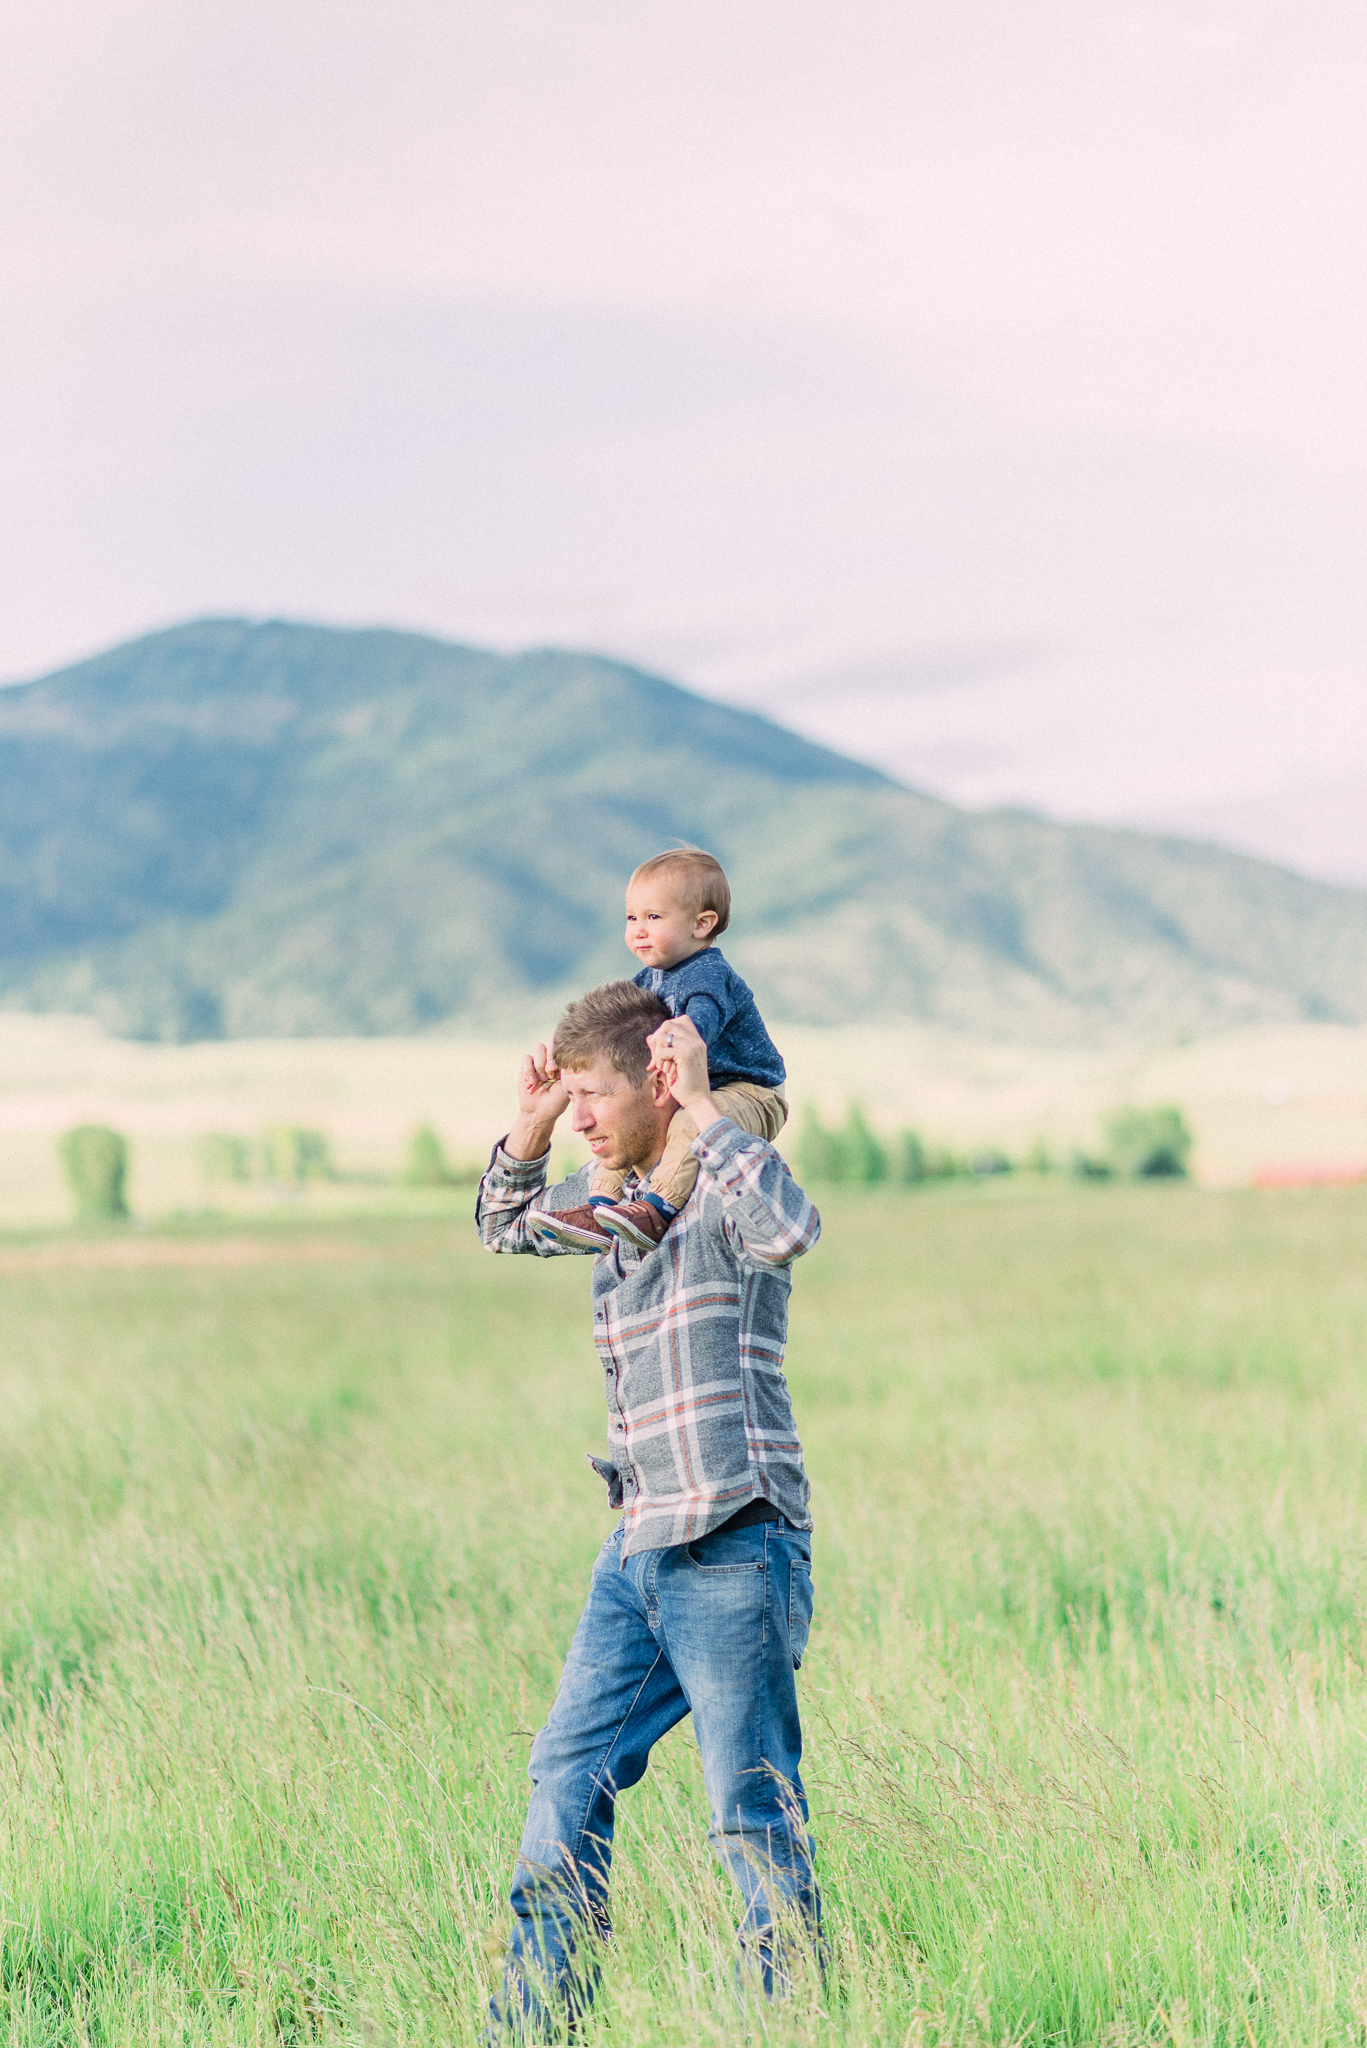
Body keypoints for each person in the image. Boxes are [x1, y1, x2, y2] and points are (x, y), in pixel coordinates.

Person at [476, 980, 822, 2037]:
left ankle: (783, 2023)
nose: (579, 1114)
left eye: (591, 1093)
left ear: (656, 1084)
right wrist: (528, 1126)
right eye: (567, 1096)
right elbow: (504, 1226)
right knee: (565, 1771)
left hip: (731, 1539)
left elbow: (790, 1225)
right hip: (633, 1550)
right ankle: (534, 2025)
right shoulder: (618, 1203)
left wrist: (707, 1107)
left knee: (750, 1815)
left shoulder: (717, 1184)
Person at [529, 846, 787, 1254]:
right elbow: (611, 1030)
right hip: (698, 1091)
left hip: (750, 1091)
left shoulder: (708, 973)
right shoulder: (649, 979)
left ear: (702, 924)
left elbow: (700, 1022)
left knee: (687, 1124)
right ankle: (599, 1209)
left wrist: (679, 1038)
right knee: (621, 1145)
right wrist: (569, 1063)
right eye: (632, 917)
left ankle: (657, 1209)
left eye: (653, 917)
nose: (638, 930)